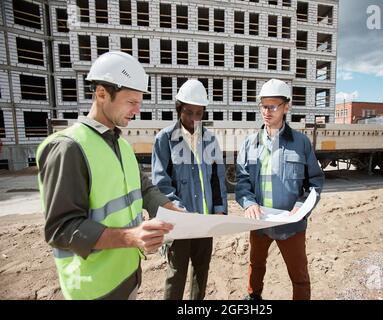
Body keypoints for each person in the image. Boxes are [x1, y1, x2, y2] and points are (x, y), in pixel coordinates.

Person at [37, 51, 181, 300]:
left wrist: (172, 210)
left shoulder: (121, 144)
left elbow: (144, 188)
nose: (138, 110)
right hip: (94, 287)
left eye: (139, 101)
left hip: (128, 274)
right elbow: (61, 229)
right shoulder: (69, 148)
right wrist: (132, 237)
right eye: (131, 102)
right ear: (102, 94)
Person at [235, 79, 324, 300]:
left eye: (273, 106)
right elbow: (242, 181)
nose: (267, 111)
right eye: (263, 106)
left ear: (287, 107)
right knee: (256, 265)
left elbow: (316, 180)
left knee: (299, 274)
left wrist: (301, 205)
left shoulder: (301, 143)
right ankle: (253, 298)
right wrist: (249, 203)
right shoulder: (249, 143)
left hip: (291, 224)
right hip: (259, 223)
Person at [152, 79, 228, 300]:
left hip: (205, 221)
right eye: (189, 112)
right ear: (179, 109)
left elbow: (217, 178)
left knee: (201, 273)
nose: (194, 118)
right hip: (180, 222)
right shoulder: (164, 139)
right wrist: (178, 212)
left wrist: (219, 209)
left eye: (199, 113)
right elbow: (161, 183)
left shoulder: (210, 139)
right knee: (176, 273)